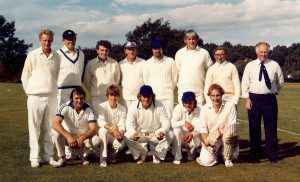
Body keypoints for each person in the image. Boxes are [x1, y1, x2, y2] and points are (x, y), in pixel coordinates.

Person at [21, 29, 60, 168]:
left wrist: (50, 88)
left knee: (50, 128)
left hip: (51, 96)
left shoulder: (56, 56)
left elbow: (55, 75)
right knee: (34, 128)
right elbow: (25, 75)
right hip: (34, 96)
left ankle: (49, 156)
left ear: (52, 40)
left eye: (49, 40)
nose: (47, 42)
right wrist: (30, 92)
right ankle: (34, 158)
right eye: (44, 40)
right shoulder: (32, 55)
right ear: (40, 40)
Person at [242, 42, 284, 163]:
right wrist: (247, 98)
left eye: (266, 51)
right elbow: (245, 83)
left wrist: (275, 92)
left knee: (271, 129)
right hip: (253, 99)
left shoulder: (274, 64)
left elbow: (280, 81)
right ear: (257, 52)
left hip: (269, 100)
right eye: (261, 52)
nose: (263, 54)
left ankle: (273, 155)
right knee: (254, 128)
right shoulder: (250, 65)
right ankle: (255, 155)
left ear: (268, 52)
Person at [124, 85, 174, 164]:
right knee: (127, 135)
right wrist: (134, 133)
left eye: (149, 96)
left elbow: (166, 122)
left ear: (152, 96)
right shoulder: (133, 106)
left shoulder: (160, 105)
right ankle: (141, 152)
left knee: (170, 134)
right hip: (141, 135)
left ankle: (157, 154)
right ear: (140, 96)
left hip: (155, 134)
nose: (146, 99)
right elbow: (129, 124)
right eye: (144, 96)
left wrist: (162, 131)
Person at [52, 87, 101, 167]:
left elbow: (94, 128)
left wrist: (83, 138)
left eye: (82, 98)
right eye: (76, 98)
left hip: (84, 140)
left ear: (84, 98)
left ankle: (84, 155)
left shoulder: (89, 108)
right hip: (69, 139)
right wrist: (68, 136)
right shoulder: (65, 106)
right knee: (55, 133)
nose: (79, 100)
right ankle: (62, 158)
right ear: (71, 98)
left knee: (96, 140)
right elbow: (55, 123)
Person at [56, 30, 85, 160]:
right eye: (67, 39)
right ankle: (67, 153)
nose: (70, 41)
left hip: (77, 91)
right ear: (63, 40)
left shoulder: (81, 53)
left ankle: (76, 151)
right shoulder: (57, 54)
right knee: (65, 122)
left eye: (72, 38)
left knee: (76, 121)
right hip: (62, 91)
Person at [196, 84, 239, 167]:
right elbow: (203, 131)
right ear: (209, 96)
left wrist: (221, 132)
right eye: (213, 96)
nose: (215, 98)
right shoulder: (204, 109)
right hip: (212, 140)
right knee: (206, 161)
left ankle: (227, 158)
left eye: (218, 95)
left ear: (222, 95)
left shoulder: (230, 106)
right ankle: (217, 154)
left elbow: (232, 128)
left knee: (229, 132)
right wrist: (208, 146)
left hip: (226, 138)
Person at [175, 29, 213, 106]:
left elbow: (210, 72)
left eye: (193, 38)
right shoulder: (179, 53)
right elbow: (177, 72)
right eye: (189, 39)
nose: (191, 41)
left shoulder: (204, 53)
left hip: (199, 92)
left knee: (199, 117)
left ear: (197, 39)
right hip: (183, 90)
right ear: (185, 40)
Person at [84, 40, 121, 117]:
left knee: (111, 122)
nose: (104, 52)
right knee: (98, 121)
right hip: (97, 99)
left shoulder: (114, 63)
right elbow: (86, 81)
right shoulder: (91, 63)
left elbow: (117, 80)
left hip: (111, 98)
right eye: (102, 50)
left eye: (106, 50)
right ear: (97, 50)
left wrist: (112, 92)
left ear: (109, 51)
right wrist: (93, 92)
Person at [143, 39, 177, 118]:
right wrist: (151, 94)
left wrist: (169, 89)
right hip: (154, 97)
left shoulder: (170, 61)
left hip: (168, 96)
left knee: (169, 118)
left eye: (159, 48)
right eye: (155, 48)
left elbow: (174, 79)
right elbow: (146, 80)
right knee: (156, 119)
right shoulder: (147, 63)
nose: (157, 50)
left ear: (162, 49)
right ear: (152, 50)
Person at [97, 85, 126, 167]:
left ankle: (111, 154)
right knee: (103, 130)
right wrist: (113, 129)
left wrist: (121, 133)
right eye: (111, 95)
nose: (113, 98)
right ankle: (102, 159)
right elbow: (101, 122)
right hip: (105, 134)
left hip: (114, 135)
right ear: (107, 96)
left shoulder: (123, 108)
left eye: (116, 95)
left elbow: (122, 124)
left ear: (119, 96)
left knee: (121, 144)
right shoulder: (102, 106)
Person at [172, 92, 201, 165]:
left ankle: (191, 152)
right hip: (181, 137)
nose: (187, 105)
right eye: (185, 103)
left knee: (190, 158)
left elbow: (200, 127)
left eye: (190, 103)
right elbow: (173, 123)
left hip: (193, 136)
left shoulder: (199, 110)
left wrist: (192, 135)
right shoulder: (178, 108)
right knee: (176, 131)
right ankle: (177, 157)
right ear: (183, 102)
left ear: (194, 102)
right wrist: (184, 122)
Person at [119, 41, 145, 109]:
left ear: (136, 50)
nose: (131, 51)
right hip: (126, 97)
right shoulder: (121, 64)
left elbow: (146, 78)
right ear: (125, 51)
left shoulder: (143, 62)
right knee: (128, 118)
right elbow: (119, 80)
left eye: (133, 49)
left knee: (140, 118)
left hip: (140, 96)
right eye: (129, 49)